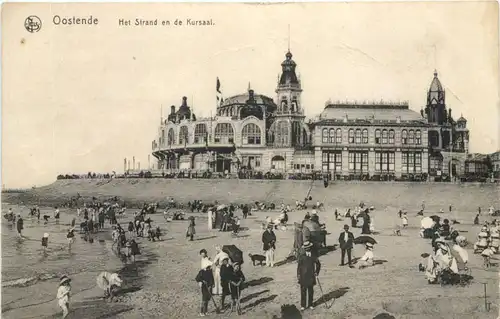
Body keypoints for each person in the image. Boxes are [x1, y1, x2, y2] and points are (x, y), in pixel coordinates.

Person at [297, 241, 321, 311]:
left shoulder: (314, 255)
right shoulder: (301, 256)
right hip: (303, 276)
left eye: (308, 248)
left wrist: (316, 272)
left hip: (311, 275)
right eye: (306, 248)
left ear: (310, 247)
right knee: (303, 291)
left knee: (310, 291)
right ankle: (303, 305)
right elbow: (299, 267)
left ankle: (310, 304)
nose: (307, 249)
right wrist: (298, 275)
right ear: (304, 249)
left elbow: (318, 264)